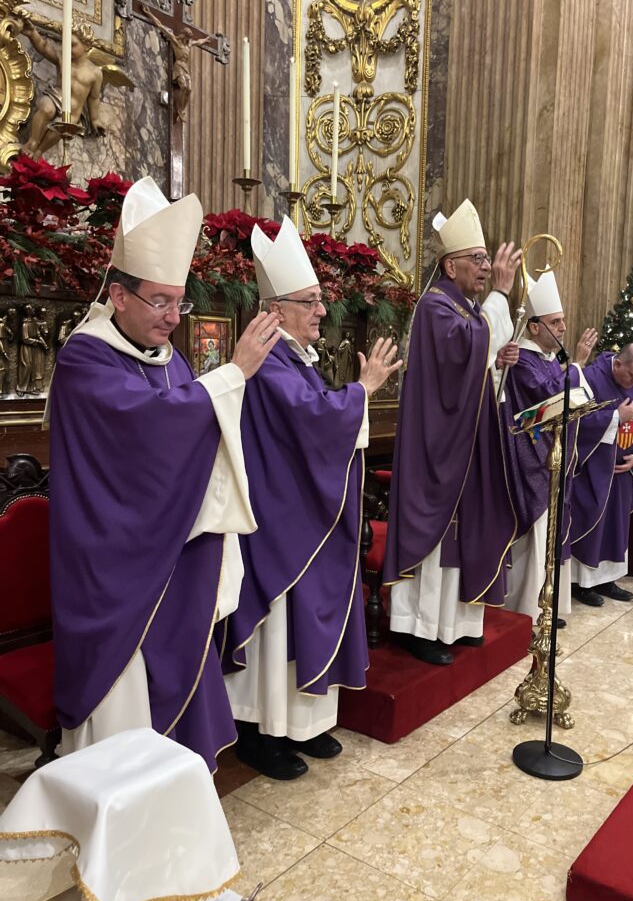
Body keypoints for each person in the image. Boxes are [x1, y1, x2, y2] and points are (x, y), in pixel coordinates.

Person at [48, 176, 280, 772]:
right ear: (119, 296)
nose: (174, 318)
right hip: (113, 562)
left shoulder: (167, 357)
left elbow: (188, 437)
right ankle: (108, 798)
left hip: (172, 555)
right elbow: (149, 429)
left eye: (180, 302)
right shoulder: (85, 358)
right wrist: (233, 376)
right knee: (121, 701)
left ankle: (170, 793)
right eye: (160, 302)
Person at [222, 216, 400, 779]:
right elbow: (309, 420)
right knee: (278, 625)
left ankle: (303, 724)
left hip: (302, 513)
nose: (324, 311)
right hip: (279, 521)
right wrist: (364, 389)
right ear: (276, 309)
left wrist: (354, 396)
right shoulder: (268, 360)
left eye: (321, 300)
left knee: (301, 623)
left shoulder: (289, 356)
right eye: (312, 301)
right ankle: (261, 732)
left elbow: (316, 424)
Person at [383, 199, 520, 665]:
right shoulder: (436, 307)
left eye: (486, 261)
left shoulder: (465, 307)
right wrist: (501, 297)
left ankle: (455, 623)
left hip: (466, 439)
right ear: (450, 265)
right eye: (477, 261)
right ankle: (416, 627)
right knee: (437, 532)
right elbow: (465, 348)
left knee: (465, 530)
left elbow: (475, 368)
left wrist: (497, 367)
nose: (484, 269)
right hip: (436, 445)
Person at [502, 269, 598, 625]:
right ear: (533, 327)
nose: (562, 327)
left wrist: (572, 369)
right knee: (538, 533)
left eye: (563, 321)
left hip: (553, 460)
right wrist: (578, 365)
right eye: (555, 322)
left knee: (554, 530)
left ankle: (548, 602)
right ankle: (528, 607)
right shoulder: (523, 362)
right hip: (531, 461)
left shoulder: (545, 359)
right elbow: (548, 396)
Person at [570, 342, 633, 606]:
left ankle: (607, 579)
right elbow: (576, 420)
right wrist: (615, 417)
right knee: (590, 523)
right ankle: (581, 583)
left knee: (616, 526)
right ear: (618, 364)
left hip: (622, 471)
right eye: (631, 376)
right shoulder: (592, 378)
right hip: (593, 468)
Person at [21, 20, 106, 158]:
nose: (68, 49)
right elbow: (43, 47)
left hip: (73, 111)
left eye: (72, 45)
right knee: (46, 109)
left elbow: (94, 98)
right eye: (66, 44)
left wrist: (95, 118)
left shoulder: (95, 72)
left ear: (86, 45)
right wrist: (32, 34)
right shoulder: (63, 57)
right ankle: (33, 142)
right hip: (56, 96)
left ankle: (39, 151)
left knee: (62, 126)